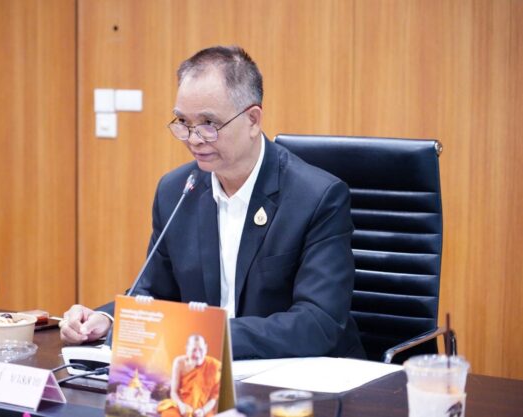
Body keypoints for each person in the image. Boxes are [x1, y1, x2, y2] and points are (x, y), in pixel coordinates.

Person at [60, 45, 365, 359]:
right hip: (203, 370)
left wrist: (206, 336)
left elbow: (318, 324)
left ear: (252, 120)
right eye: (183, 122)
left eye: (209, 123)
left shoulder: (316, 197)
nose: (194, 139)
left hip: (301, 374)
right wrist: (108, 320)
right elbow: (155, 292)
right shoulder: (176, 191)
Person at [157, 334, 221, 417]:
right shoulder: (180, 363)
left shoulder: (215, 366)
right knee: (168, 414)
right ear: (187, 349)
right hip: (181, 405)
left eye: (201, 350)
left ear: (206, 348)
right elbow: (173, 392)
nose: (197, 355)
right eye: (193, 350)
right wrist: (181, 406)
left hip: (202, 409)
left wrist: (203, 411)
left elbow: (213, 399)